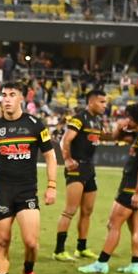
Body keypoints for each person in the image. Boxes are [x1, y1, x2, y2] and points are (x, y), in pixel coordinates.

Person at [0, 81, 58, 274]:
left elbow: (50, 157)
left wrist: (52, 185)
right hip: (3, 193)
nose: (6, 99)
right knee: (3, 241)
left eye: (12, 95)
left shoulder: (36, 125)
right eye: (4, 95)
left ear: (22, 99)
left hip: (27, 192)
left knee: (31, 242)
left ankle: (28, 270)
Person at [78, 103, 138, 274]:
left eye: (129, 117)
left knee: (113, 224)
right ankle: (136, 265)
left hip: (132, 186)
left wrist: (137, 191)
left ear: (137, 118)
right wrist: (123, 128)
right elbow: (116, 137)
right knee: (135, 226)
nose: (127, 119)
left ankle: (101, 263)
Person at [53, 89, 106, 261]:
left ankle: (81, 248)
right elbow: (65, 140)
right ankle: (59, 250)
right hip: (76, 167)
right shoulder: (80, 118)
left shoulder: (97, 121)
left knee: (87, 211)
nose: (105, 105)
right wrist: (67, 159)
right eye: (101, 102)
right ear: (91, 102)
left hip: (89, 168)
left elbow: (99, 138)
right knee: (70, 210)